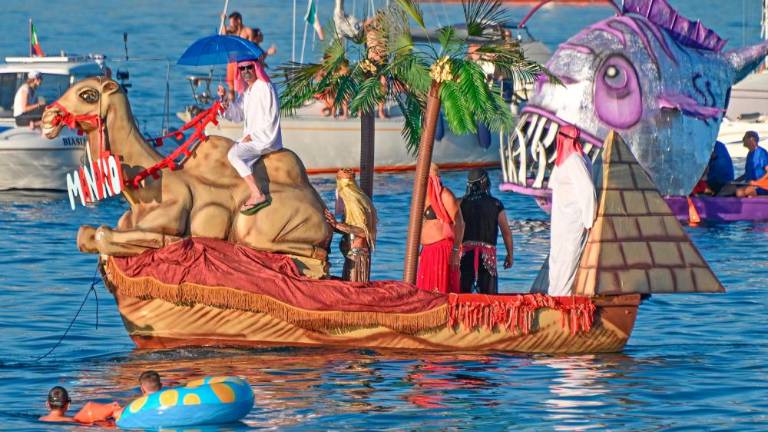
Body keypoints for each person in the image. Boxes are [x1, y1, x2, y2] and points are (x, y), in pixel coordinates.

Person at [534, 125, 596, 296]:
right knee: (558, 258)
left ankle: (563, 298)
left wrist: (589, 221)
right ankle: (556, 295)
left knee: (567, 261)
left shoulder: (575, 161)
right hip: (561, 221)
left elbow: (588, 191)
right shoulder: (565, 159)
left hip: (572, 222)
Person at [219, 59, 283, 215]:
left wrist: (253, 136)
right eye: (242, 68)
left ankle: (257, 194)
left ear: (256, 68)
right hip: (252, 138)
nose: (245, 71)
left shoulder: (265, 87)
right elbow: (238, 115)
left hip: (265, 138)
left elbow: (272, 117)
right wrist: (224, 100)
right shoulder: (247, 91)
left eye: (249, 67)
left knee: (233, 155)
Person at [458, 169, 514, 294]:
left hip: (465, 255)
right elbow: (506, 232)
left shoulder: (460, 203)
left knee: (463, 295)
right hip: (487, 257)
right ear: (485, 182)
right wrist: (510, 255)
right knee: (489, 297)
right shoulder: (496, 204)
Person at [416, 164, 464, 293]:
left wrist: (455, 250)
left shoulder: (445, 195)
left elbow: (460, 223)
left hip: (442, 250)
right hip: (427, 251)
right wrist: (420, 251)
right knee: (425, 291)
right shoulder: (421, 197)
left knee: (440, 290)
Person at [325, 169, 377, 282]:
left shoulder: (354, 202)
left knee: (354, 290)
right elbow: (351, 229)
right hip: (352, 257)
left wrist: (337, 224)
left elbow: (363, 232)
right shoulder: (355, 200)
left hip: (357, 258)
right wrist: (331, 224)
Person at [735, 131, 768, 197]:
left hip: (762, 186)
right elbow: (748, 173)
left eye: (744, 138)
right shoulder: (750, 154)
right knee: (735, 191)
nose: (742, 140)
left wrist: (757, 183)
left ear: (751, 139)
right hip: (751, 185)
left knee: (745, 192)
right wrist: (735, 181)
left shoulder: (761, 153)